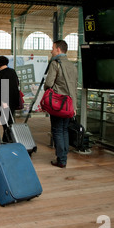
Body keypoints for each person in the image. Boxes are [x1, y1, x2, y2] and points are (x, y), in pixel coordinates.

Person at [44, 40, 78, 168]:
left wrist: (47, 89)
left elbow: (48, 83)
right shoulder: (72, 65)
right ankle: (64, 156)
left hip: (58, 104)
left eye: (52, 48)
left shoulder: (55, 63)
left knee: (57, 130)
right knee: (64, 130)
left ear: (58, 49)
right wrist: (74, 106)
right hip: (70, 104)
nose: (51, 51)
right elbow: (74, 86)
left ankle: (61, 159)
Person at [0, 55, 20, 143]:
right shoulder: (12, 71)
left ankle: (8, 140)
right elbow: (17, 84)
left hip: (5, 100)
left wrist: (3, 102)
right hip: (13, 100)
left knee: (5, 122)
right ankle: (7, 139)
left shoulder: (2, 73)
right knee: (9, 120)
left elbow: (3, 88)